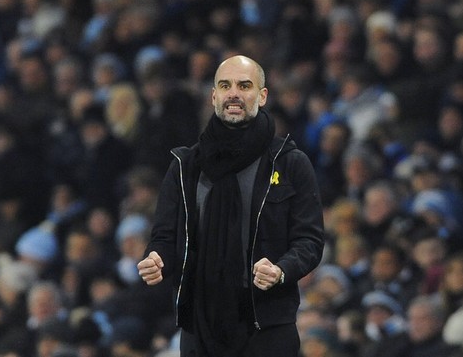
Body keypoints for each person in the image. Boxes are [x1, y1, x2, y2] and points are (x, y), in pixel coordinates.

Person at [137, 55, 325, 357]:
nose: (234, 93)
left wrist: (280, 270)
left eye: (245, 85)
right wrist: (156, 259)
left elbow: (310, 241)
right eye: (225, 85)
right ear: (214, 96)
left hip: (266, 326)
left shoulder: (290, 163)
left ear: (262, 96)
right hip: (199, 328)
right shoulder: (185, 166)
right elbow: (165, 237)